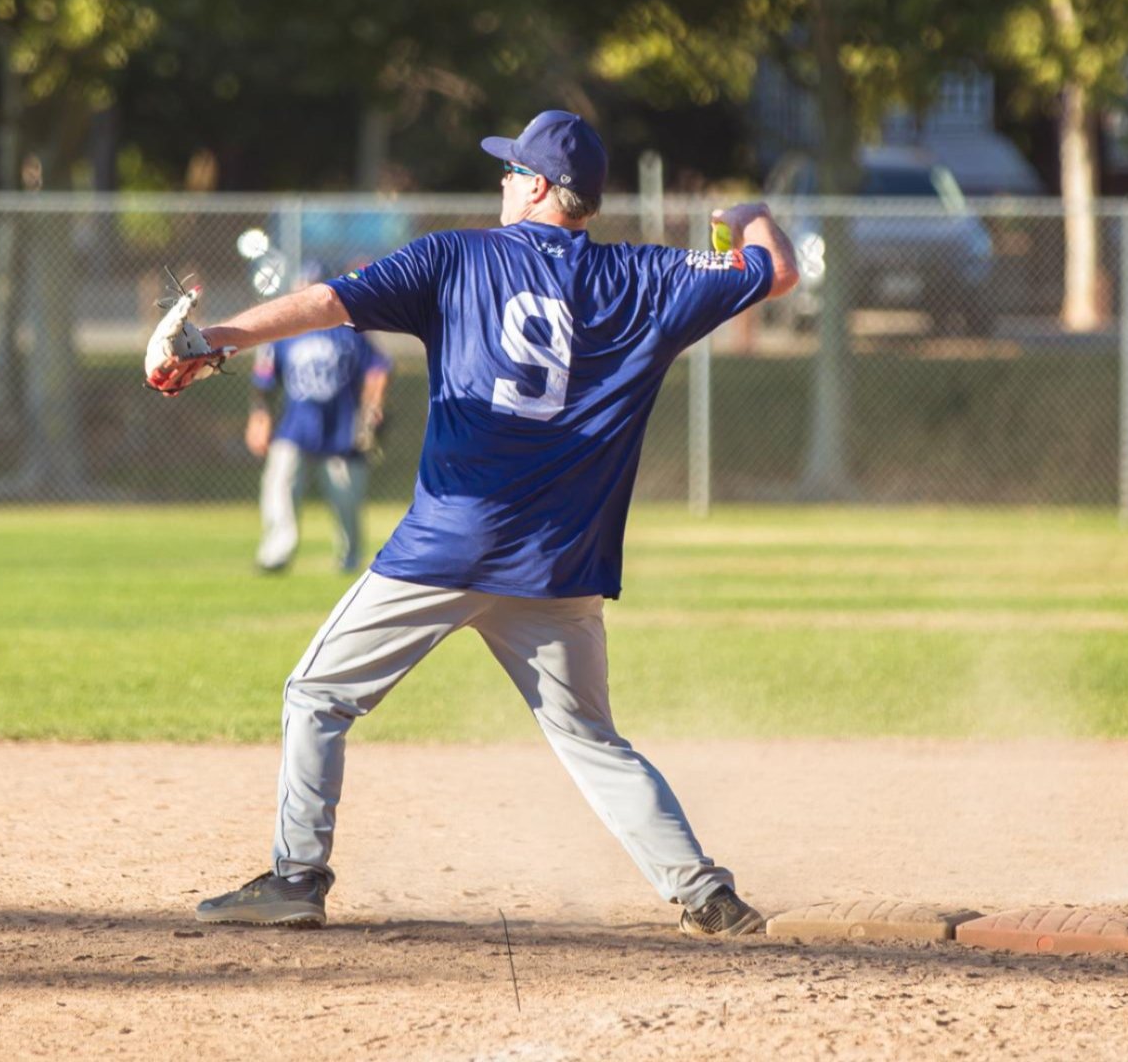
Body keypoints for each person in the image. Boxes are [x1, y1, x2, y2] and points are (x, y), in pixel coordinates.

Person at [154, 110, 798, 935]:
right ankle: (706, 895)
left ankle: (296, 878)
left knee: (317, 694)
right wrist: (746, 216)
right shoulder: (651, 279)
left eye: (508, 169)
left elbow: (325, 304)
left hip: (447, 546)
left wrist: (212, 341)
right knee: (589, 737)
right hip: (559, 564)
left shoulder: (454, 257)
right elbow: (773, 272)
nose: (500, 180)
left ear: (536, 186)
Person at [245, 305, 392, 573]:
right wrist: (259, 417)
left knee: (346, 498)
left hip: (341, 429)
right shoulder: (286, 331)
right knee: (280, 485)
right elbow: (264, 378)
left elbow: (378, 367)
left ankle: (350, 558)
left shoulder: (349, 333)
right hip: (294, 428)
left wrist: (373, 404)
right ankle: (276, 554)